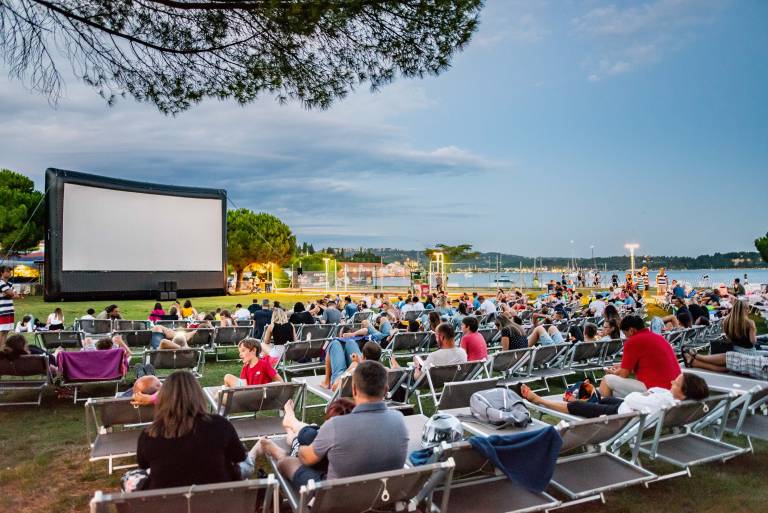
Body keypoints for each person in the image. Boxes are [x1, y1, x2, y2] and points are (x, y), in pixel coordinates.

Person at [257, 361, 408, 488]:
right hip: (383, 494)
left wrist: (300, 446)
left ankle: (281, 452)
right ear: (386, 390)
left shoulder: (336, 425)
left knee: (287, 462)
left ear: (354, 389)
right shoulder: (399, 420)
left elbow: (306, 458)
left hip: (335, 498)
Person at [135, 371, 247, 489]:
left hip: (166, 499)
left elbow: (144, 465)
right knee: (242, 462)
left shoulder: (149, 434)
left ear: (163, 398)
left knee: (131, 477)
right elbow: (239, 456)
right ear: (198, 395)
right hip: (218, 498)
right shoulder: (220, 424)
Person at [521, 373, 709, 419]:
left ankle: (539, 400)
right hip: (626, 409)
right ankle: (580, 400)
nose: (671, 382)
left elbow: (633, 398)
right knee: (601, 399)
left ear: (683, 392)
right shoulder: (674, 401)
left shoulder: (664, 400)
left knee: (578, 407)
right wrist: (647, 394)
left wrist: (644, 394)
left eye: (676, 383)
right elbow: (651, 392)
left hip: (622, 415)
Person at [600, 315, 681, 398]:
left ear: (631, 330)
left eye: (625, 333)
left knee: (607, 380)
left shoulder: (633, 341)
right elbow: (647, 364)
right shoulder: (658, 337)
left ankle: (606, 405)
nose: (626, 337)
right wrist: (621, 367)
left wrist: (614, 373)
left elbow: (624, 374)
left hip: (657, 390)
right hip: (674, 388)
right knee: (614, 392)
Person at [391, 322, 466, 380]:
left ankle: (397, 367)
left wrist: (417, 367)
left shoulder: (434, 356)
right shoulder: (462, 352)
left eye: (436, 336)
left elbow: (419, 378)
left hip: (431, 381)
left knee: (403, 374)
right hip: (450, 379)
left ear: (442, 337)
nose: (436, 340)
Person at [682, 348, 768, 380]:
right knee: (727, 366)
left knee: (731, 357)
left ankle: (697, 356)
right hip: (763, 364)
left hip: (764, 366)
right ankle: (694, 362)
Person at [0, 266, 21, 347]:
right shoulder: (1, 282)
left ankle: (3, 349)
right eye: (7, 271)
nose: (9, 273)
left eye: (10, 271)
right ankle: (1, 350)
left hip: (10, 310)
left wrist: (7, 294)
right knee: (3, 331)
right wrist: (11, 293)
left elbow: (17, 295)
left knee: (6, 331)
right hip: (3, 310)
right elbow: (12, 293)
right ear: (2, 273)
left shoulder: (10, 284)